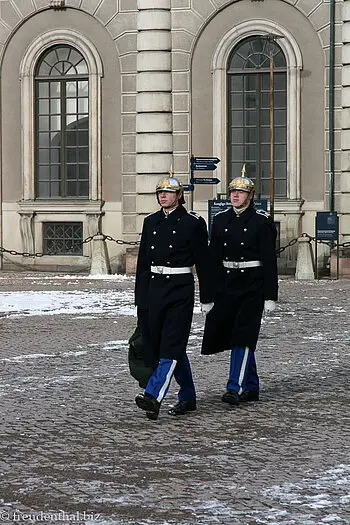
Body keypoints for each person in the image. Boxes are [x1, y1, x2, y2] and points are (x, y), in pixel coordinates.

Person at [134, 175, 213, 420]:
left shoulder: (193, 222)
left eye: (168, 192)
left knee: (171, 343)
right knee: (165, 346)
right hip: (155, 289)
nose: (163, 196)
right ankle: (188, 396)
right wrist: (141, 298)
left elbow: (204, 262)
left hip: (180, 289)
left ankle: (153, 396)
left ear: (179, 195)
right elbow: (143, 263)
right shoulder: (150, 222)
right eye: (160, 193)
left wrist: (207, 297)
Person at [201, 166, 278, 405]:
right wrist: (208, 293)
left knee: (243, 337)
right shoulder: (221, 219)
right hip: (227, 284)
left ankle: (234, 386)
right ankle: (252, 386)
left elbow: (269, 261)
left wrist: (270, 295)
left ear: (250, 196)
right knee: (232, 334)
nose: (235, 196)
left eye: (241, 192)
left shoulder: (261, 221)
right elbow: (213, 258)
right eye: (233, 192)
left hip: (252, 285)